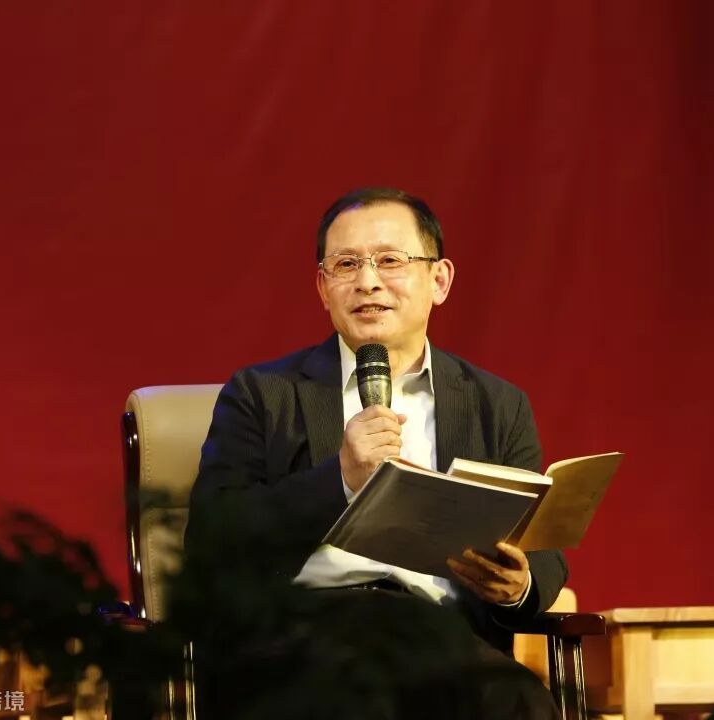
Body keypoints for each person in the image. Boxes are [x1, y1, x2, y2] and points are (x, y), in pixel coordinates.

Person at [184, 187, 567, 719]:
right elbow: (212, 542)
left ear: (439, 280)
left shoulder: (496, 404)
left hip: (441, 640)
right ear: (323, 288)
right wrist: (339, 478)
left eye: (389, 261)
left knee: (519, 701)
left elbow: (541, 548)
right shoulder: (263, 394)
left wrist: (519, 584)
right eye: (346, 265)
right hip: (300, 638)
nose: (367, 282)